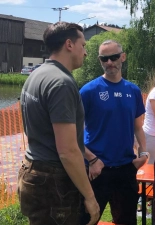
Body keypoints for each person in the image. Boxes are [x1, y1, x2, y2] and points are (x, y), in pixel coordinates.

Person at [19, 22, 100, 225]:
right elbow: (67, 150)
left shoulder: (36, 74)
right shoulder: (61, 83)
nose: (86, 52)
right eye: (83, 45)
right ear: (69, 45)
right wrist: (90, 197)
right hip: (53, 183)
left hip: (32, 170)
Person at [79, 40, 146, 225]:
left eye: (114, 57)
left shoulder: (133, 90)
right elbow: (73, 132)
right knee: (88, 219)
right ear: (100, 61)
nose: (109, 62)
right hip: (96, 169)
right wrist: (91, 159)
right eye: (104, 59)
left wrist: (144, 153)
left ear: (122, 57)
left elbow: (138, 127)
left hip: (126, 167)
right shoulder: (88, 91)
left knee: (127, 220)